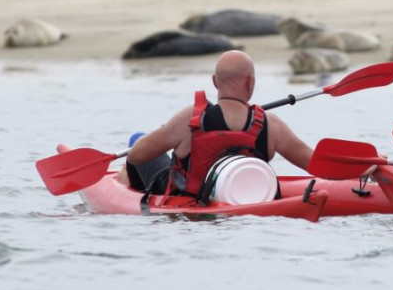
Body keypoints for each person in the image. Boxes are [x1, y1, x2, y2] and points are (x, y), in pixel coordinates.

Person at [118, 50, 313, 200]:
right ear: (251, 82)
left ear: (214, 82)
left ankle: (125, 183)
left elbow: (137, 155)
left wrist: (165, 133)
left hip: (189, 204)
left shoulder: (189, 119)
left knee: (137, 139)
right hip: (247, 197)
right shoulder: (272, 125)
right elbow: (314, 164)